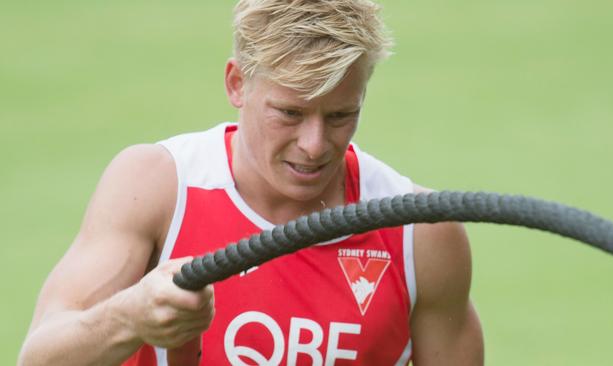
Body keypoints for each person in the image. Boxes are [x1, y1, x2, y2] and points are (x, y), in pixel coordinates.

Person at [19, 0, 484, 365]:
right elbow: (39, 357)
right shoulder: (156, 186)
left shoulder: (421, 233)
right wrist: (129, 316)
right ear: (237, 84)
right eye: (290, 113)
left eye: (342, 115)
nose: (315, 145)